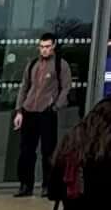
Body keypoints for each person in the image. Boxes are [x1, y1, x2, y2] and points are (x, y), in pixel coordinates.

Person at [12, 30, 77, 193]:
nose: (44, 50)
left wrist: (55, 106)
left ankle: (48, 185)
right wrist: (19, 110)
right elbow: (24, 87)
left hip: (46, 111)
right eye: (41, 47)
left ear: (54, 46)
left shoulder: (60, 64)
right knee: (26, 150)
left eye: (47, 46)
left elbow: (66, 88)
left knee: (48, 150)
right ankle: (25, 184)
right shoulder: (33, 64)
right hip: (29, 110)